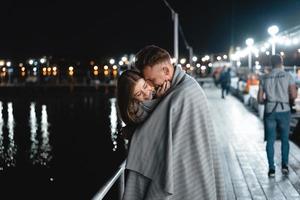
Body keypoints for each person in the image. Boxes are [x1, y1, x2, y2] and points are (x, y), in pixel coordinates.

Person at [122, 45, 226, 200]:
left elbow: (148, 134)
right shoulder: (184, 86)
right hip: (194, 168)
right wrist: (161, 99)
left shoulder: (182, 94)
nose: (150, 85)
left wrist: (160, 101)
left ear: (165, 71)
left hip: (189, 172)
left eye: (150, 80)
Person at [257, 54, 297, 178]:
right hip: (284, 110)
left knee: (270, 141)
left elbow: (259, 99)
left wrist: (268, 101)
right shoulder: (288, 76)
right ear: (281, 61)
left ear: (271, 63)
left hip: (270, 111)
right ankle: (284, 166)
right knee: (285, 139)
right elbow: (294, 95)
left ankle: (271, 169)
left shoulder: (264, 77)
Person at [117, 70, 170, 144]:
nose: (146, 94)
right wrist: (159, 102)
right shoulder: (135, 115)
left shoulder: (159, 90)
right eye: (139, 94)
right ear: (131, 99)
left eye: (145, 86)